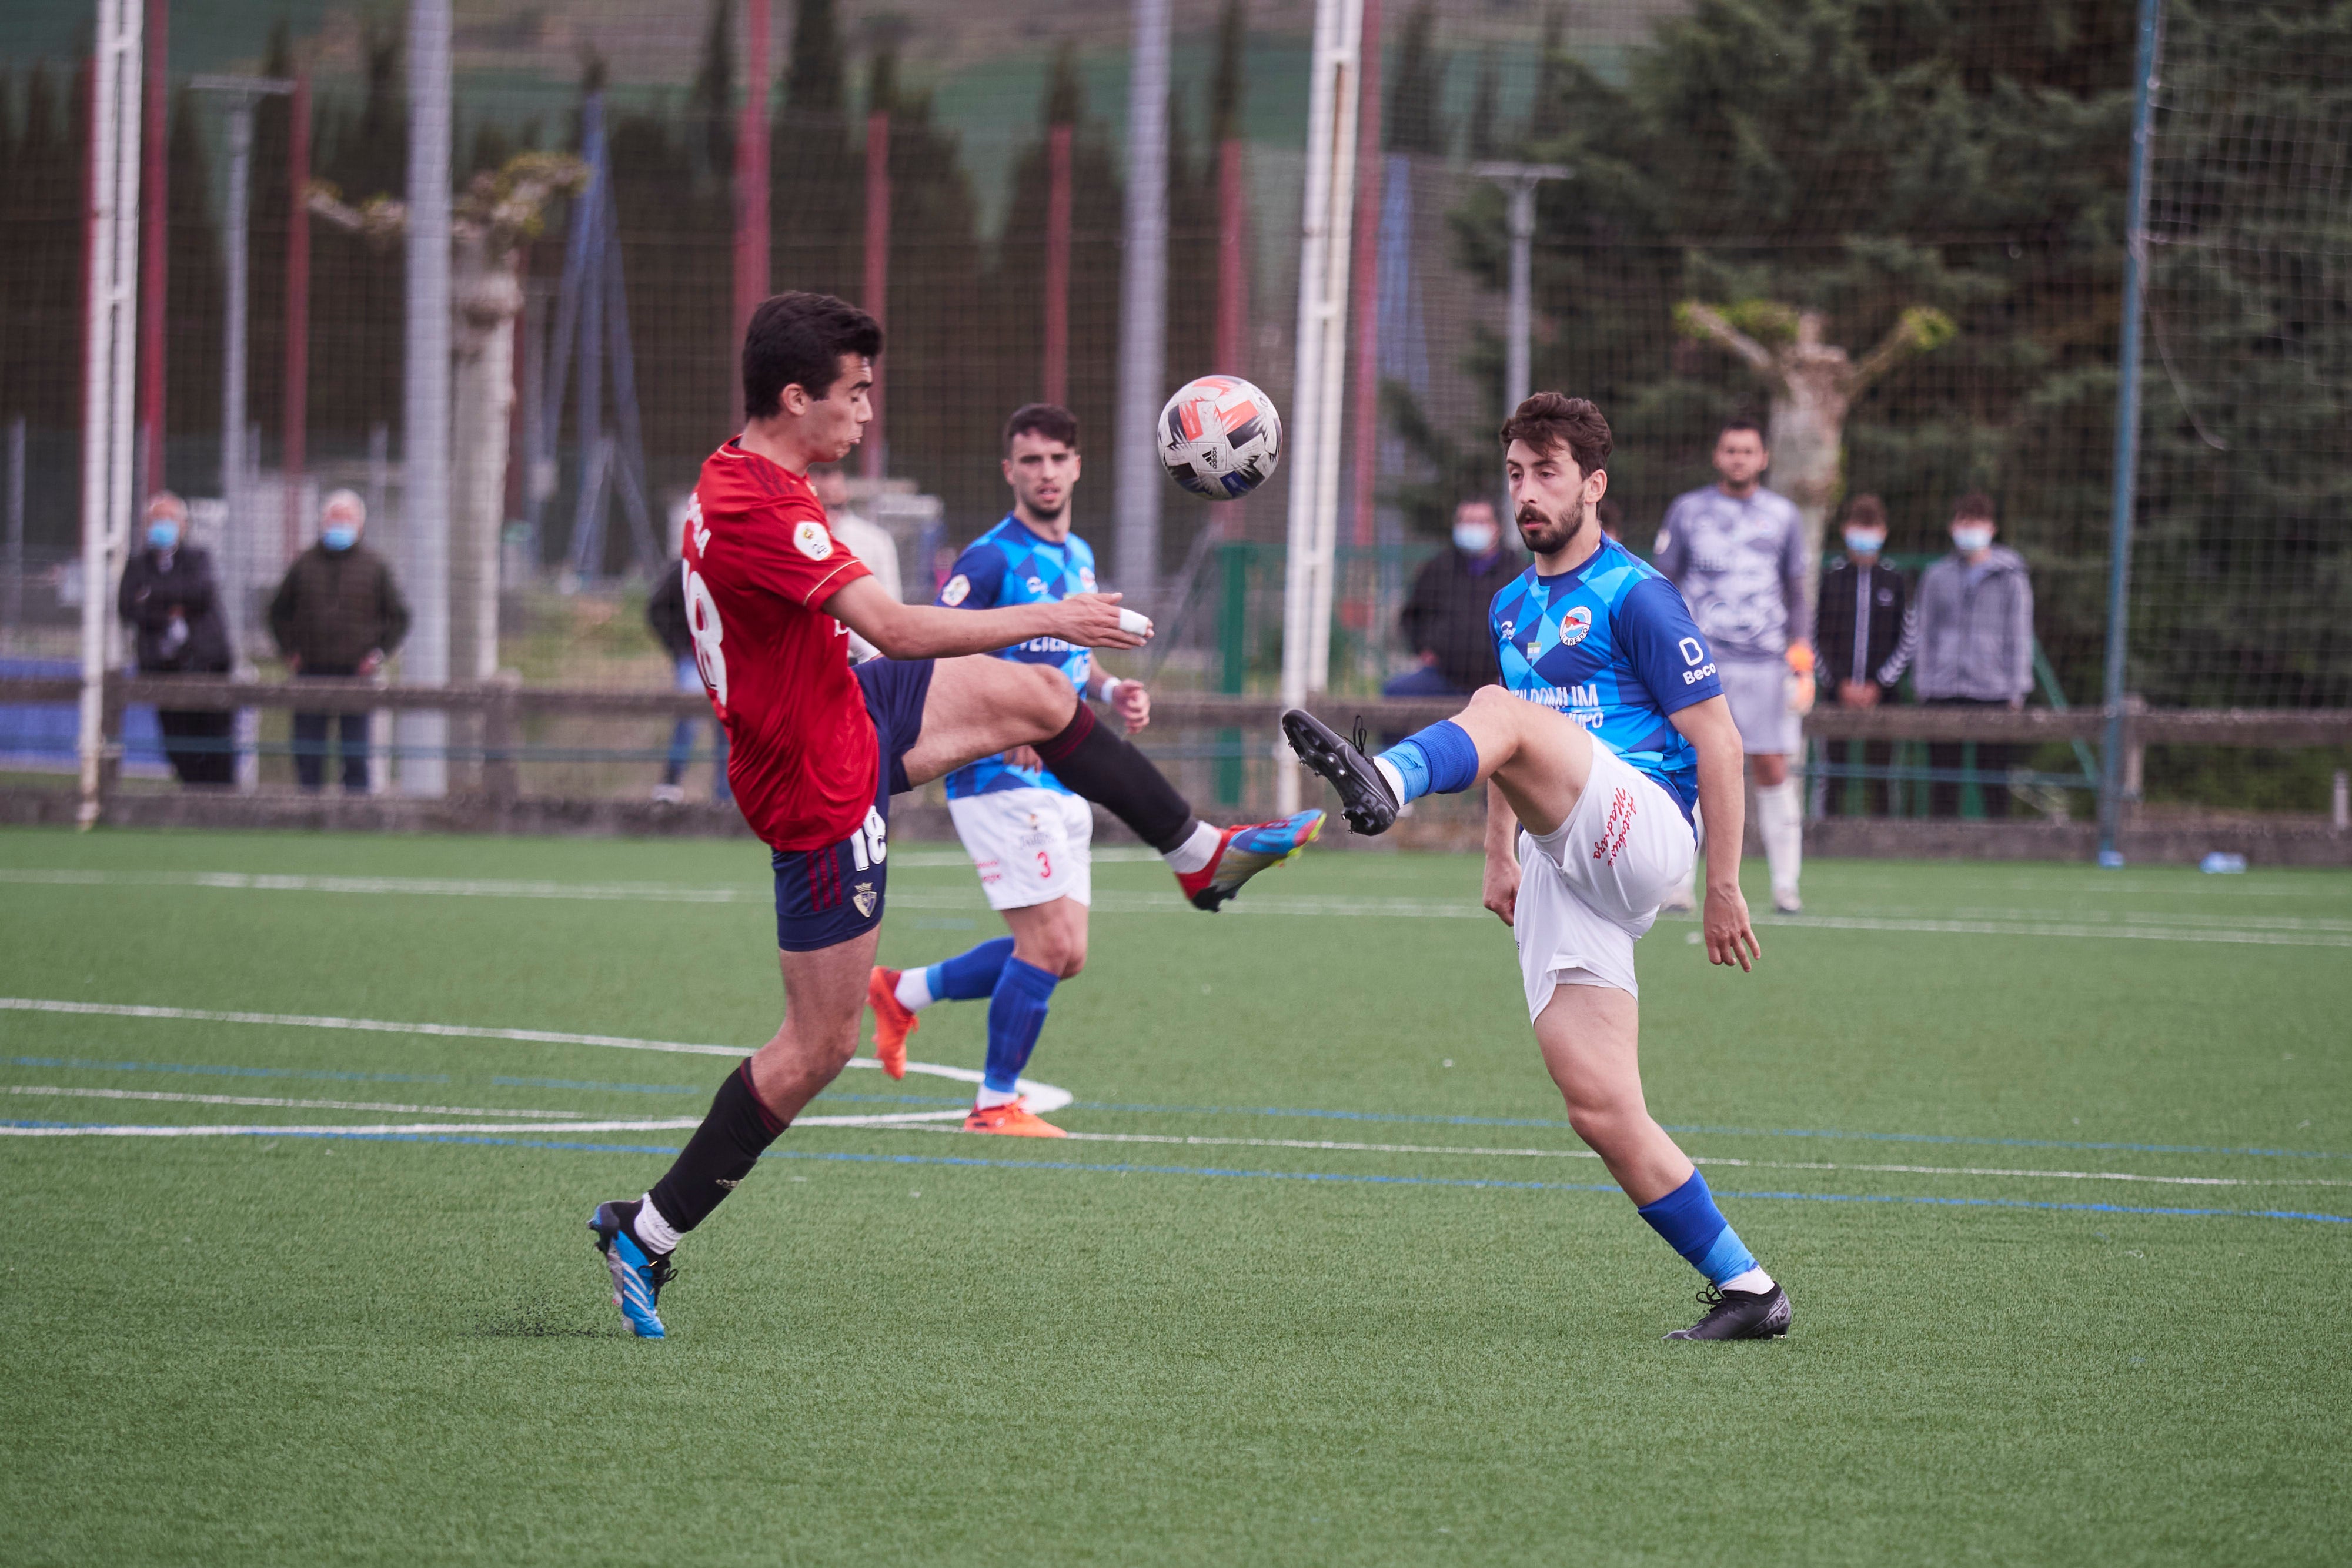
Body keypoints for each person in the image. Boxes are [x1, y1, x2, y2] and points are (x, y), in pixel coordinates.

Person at [587, 292, 1324, 1339]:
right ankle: (644, 1233)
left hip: (841, 707)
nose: (867, 412)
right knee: (816, 1047)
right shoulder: (764, 508)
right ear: (796, 398)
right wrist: (1054, 617)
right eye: (855, 393)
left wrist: (1042, 647)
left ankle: (1199, 854)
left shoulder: (737, 471)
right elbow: (889, 623)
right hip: (814, 780)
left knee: (1036, 695)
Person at [1282, 393, 1788, 1342]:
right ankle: (1749, 1288)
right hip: (1565, 856)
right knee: (1599, 1107)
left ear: (1595, 485)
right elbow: (1510, 751)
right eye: (1515, 473)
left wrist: (1723, 885)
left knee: (1495, 705)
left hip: (1646, 831)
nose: (1526, 491)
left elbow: (1718, 740)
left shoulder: (1636, 593)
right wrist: (1496, 853)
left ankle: (1384, 777)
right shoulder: (1513, 605)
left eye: (1548, 471)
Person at [866, 403, 1146, 1137]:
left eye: (1058, 459)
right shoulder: (989, 557)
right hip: (993, 774)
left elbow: (1064, 657)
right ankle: (994, 1103)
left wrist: (1113, 690)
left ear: (1077, 466)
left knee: (1065, 953)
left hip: (1062, 772)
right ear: (1009, 472)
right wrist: (999, 717)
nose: (1046, 473)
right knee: (1049, 946)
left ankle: (902, 991)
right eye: (1031, 461)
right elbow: (939, 647)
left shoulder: (1079, 554)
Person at [1653, 420, 1810, 912]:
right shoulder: (1688, 511)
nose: (1738, 458)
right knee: (1696, 764)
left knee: (1771, 763)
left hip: (1765, 660)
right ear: (1717, 456)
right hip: (1702, 662)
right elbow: (1661, 582)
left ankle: (1786, 885)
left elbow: (1798, 589)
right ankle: (1679, 884)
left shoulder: (1785, 515)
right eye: (1730, 450)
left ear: (1763, 458)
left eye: (1748, 450)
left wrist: (1801, 656)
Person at [1880, 492, 2034, 818]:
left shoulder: (2012, 577)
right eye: (1963, 522)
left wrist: (2017, 688)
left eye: (1976, 522)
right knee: (1943, 776)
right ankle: (1941, 845)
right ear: (1953, 527)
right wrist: (1924, 682)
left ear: (1992, 528)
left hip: (1993, 688)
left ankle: (1998, 843)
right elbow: (1923, 633)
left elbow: (2019, 634)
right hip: (1943, 687)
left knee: (1993, 774)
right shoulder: (1937, 576)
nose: (1969, 529)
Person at [267, 489, 409, 793]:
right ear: (322, 522)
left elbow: (399, 617)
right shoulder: (304, 564)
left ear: (359, 525)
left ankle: (356, 813)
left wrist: (379, 653)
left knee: (356, 751)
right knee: (307, 748)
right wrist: (289, 650)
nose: (339, 527)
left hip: (357, 673)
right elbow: (278, 612)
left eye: (346, 520)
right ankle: (307, 810)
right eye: (334, 519)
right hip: (310, 670)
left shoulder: (375, 567)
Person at [117, 492, 235, 786]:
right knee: (177, 745)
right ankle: (191, 802)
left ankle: (223, 807)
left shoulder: (199, 558)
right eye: (157, 519)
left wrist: (152, 595)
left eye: (170, 519)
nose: (163, 525)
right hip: (162, 669)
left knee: (215, 742)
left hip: (207, 665)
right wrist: (168, 608)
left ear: (184, 525)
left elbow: (200, 594)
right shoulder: (137, 565)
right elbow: (128, 607)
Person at [1812, 495, 1909, 816]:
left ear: (1883, 531)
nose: (1865, 534)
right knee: (1831, 771)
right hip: (1834, 694)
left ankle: (1886, 841)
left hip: (1884, 696)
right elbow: (1813, 635)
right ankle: (1824, 836)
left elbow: (1908, 639)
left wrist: (1878, 683)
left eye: (1872, 527)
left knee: (1882, 771)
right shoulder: (1830, 579)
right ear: (1845, 530)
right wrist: (1839, 682)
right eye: (1859, 526)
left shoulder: (1896, 581)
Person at [1386, 497, 1518, 698]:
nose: (1472, 528)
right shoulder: (1439, 568)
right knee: (1396, 694)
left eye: (1480, 522)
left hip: (1498, 682)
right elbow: (1413, 616)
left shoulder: (1516, 573)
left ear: (1496, 528)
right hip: (1442, 678)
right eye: (1466, 521)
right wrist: (1423, 648)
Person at [646, 543, 730, 806]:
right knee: (688, 718)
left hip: (726, 659)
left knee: (727, 725)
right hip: (693, 658)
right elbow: (657, 610)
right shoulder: (682, 569)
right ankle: (671, 785)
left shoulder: (732, 568)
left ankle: (725, 794)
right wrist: (680, 646)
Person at [808, 462, 902, 662]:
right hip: (813, 655)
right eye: (822, 505)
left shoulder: (875, 540)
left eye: (837, 505)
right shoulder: (797, 540)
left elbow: (892, 605)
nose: (830, 513)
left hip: (864, 656)